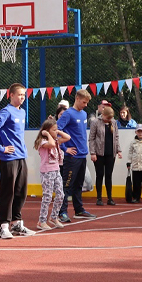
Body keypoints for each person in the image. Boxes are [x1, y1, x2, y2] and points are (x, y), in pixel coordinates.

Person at [0, 83, 35, 239]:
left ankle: (17, 223)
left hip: (21, 155)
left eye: (24, 95)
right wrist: (0, 149)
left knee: (21, 191)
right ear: (11, 95)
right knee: (8, 192)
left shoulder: (22, 112)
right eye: (19, 94)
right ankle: (4, 226)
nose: (22, 97)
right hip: (9, 157)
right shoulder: (6, 111)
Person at [57, 89, 96, 222]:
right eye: (84, 102)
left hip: (82, 155)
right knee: (66, 185)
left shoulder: (84, 114)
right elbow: (57, 130)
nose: (85, 105)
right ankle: (61, 212)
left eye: (87, 103)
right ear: (77, 99)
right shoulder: (68, 114)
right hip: (72, 156)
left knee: (79, 185)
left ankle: (78, 210)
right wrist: (64, 148)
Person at [35, 119, 69, 230]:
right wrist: (48, 134)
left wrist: (58, 132)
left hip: (56, 171)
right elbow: (50, 144)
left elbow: (68, 138)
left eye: (56, 130)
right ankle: (42, 221)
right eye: (53, 130)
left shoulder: (55, 140)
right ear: (46, 131)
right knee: (47, 196)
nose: (56, 132)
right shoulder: (43, 142)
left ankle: (54, 217)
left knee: (60, 195)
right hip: (47, 172)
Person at [89, 105, 122, 206]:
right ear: (103, 115)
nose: (109, 120)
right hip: (99, 153)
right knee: (100, 175)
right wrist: (93, 153)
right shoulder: (95, 122)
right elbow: (91, 138)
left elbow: (116, 137)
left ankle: (110, 198)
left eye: (110, 118)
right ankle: (99, 198)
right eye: (107, 118)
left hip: (110, 153)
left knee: (108, 176)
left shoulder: (114, 123)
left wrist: (118, 150)